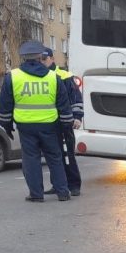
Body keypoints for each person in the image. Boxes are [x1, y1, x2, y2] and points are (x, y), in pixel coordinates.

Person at [0, 40, 74, 202]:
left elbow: (4, 105)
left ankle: (36, 194)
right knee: (55, 158)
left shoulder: (13, 76)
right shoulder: (53, 77)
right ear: (41, 56)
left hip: (26, 126)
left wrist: (6, 125)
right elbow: (63, 104)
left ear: (23, 58)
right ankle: (63, 192)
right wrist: (66, 125)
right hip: (50, 125)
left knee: (31, 160)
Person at [41, 48, 83, 196]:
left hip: (65, 123)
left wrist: (77, 116)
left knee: (67, 154)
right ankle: (58, 184)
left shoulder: (64, 75)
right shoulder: (40, 77)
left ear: (52, 59)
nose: (42, 62)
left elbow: (76, 98)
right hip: (49, 123)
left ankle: (74, 185)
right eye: (39, 59)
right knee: (54, 156)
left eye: (44, 59)